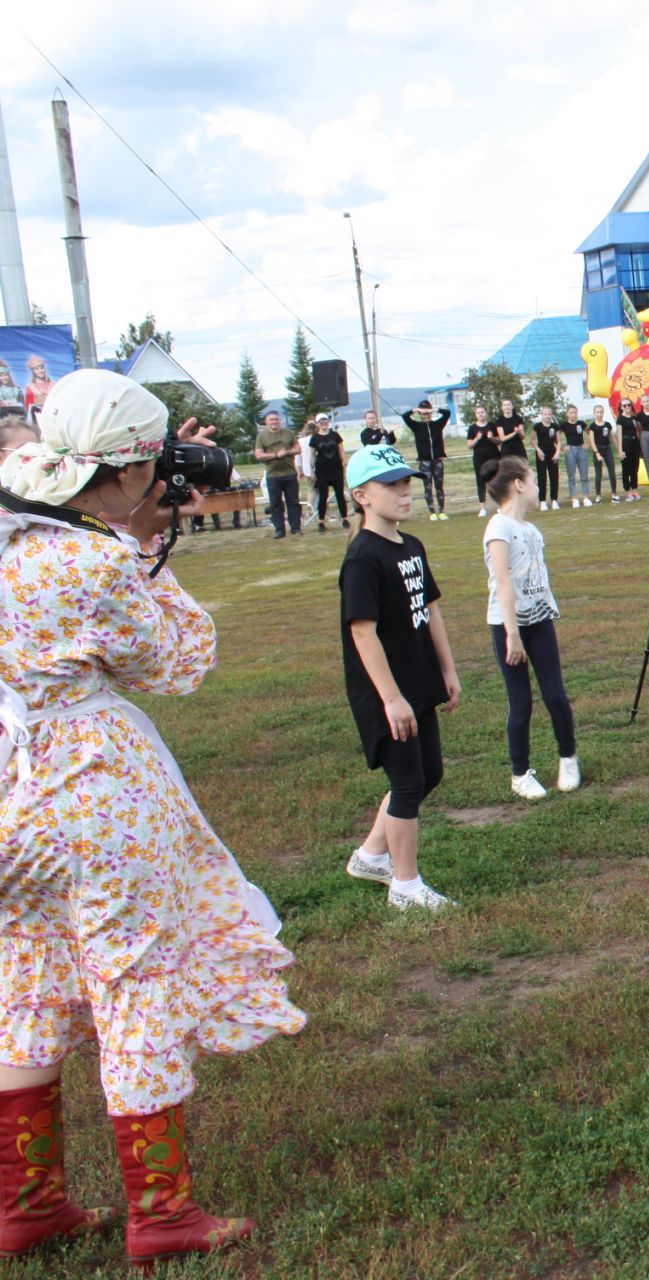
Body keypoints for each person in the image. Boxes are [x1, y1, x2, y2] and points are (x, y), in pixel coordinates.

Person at [0, 369, 304, 1267]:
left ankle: (28, 1204)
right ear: (134, 469)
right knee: (130, 985)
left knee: (24, 985)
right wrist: (136, 549)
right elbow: (174, 661)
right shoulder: (91, 557)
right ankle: (162, 1213)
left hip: (8, 791)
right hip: (92, 791)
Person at [339, 442, 461, 912]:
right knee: (408, 781)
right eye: (391, 485)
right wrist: (390, 698)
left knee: (429, 773)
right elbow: (362, 633)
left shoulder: (411, 545)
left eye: (406, 482)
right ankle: (406, 887)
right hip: (386, 693)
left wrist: (447, 670)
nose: (404, 491)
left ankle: (372, 855)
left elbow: (430, 610)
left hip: (418, 682)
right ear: (361, 496)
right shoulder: (363, 558)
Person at [480, 457, 581, 800]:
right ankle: (519, 773)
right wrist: (512, 634)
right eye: (533, 481)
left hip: (539, 620)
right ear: (519, 485)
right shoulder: (498, 528)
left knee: (555, 695)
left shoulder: (531, 530)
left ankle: (568, 758)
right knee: (521, 702)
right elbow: (503, 582)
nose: (538, 488)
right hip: (510, 627)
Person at [399, 399, 450, 521]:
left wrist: (433, 409)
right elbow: (405, 417)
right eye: (424, 414)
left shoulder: (438, 424)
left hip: (437, 460)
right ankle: (432, 512)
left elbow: (447, 413)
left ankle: (441, 511)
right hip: (424, 461)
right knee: (427, 486)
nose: (426, 416)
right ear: (420, 415)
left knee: (439, 486)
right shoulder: (416, 426)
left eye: (428, 413)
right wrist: (416, 410)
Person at [256, 409, 304, 537]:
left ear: (280, 420)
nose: (274, 422)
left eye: (276, 419)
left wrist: (287, 452)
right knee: (275, 504)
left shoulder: (288, 433)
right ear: (266, 422)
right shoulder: (262, 436)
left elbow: (298, 449)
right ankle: (279, 530)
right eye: (271, 419)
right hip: (273, 475)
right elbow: (259, 455)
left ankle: (296, 528)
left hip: (290, 473)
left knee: (293, 502)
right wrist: (275, 455)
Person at [309, 414, 348, 531]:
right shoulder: (314, 438)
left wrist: (344, 463)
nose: (323, 423)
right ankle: (321, 521)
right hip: (322, 471)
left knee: (340, 495)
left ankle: (345, 519)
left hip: (336, 469)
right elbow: (312, 455)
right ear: (317, 424)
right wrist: (311, 470)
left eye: (325, 420)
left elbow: (341, 450)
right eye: (320, 421)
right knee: (323, 496)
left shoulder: (335, 435)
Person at [467, 404, 502, 518]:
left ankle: (500, 505)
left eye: (482, 412)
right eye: (478, 413)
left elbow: (499, 442)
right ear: (475, 414)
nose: (480, 414)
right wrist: (477, 438)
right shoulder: (472, 428)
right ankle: (483, 508)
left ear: (486, 413)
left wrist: (491, 437)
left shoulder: (492, 425)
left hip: (494, 457)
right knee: (480, 482)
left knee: (495, 481)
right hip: (479, 459)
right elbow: (469, 445)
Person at [531, 406, 561, 511]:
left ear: (551, 415)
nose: (547, 416)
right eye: (545, 414)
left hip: (552, 454)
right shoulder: (537, 426)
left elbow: (558, 441)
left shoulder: (555, 426)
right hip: (541, 455)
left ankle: (554, 500)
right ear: (542, 415)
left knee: (554, 477)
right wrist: (538, 451)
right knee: (542, 478)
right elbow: (532, 440)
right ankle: (542, 501)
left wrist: (557, 452)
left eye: (549, 414)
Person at [561, 404, 590, 506]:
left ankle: (586, 497)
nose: (573, 415)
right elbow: (556, 437)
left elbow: (591, 433)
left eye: (575, 412)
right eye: (571, 413)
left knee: (584, 475)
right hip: (571, 450)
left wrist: (588, 444)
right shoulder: (564, 425)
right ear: (567, 414)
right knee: (571, 476)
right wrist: (562, 447)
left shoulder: (581, 423)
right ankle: (574, 499)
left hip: (581, 449)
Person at [588, 404, 617, 503]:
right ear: (594, 413)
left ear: (603, 413)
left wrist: (619, 449)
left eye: (601, 412)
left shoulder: (607, 425)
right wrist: (597, 453)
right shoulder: (592, 426)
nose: (599, 414)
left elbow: (613, 438)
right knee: (598, 474)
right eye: (597, 412)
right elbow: (592, 441)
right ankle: (598, 495)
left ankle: (614, 494)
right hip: (598, 449)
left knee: (612, 472)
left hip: (607, 449)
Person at [617, 404, 642, 500]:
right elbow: (619, 435)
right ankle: (628, 490)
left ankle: (634, 488)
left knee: (635, 467)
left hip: (634, 443)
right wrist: (620, 449)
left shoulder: (634, 418)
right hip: (625, 443)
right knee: (626, 468)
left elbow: (637, 432)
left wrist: (639, 446)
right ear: (622, 407)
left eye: (629, 405)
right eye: (625, 405)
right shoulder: (620, 419)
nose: (627, 407)